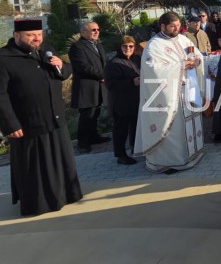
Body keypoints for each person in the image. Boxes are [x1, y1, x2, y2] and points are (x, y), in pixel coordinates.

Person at [0, 18, 82, 216]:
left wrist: (60, 65)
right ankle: (39, 203)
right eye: (31, 35)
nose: (36, 39)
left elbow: (66, 72)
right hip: (29, 124)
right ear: (16, 36)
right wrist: (9, 124)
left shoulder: (45, 52)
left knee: (61, 162)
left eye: (39, 34)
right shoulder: (1, 59)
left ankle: (66, 195)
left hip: (55, 119)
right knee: (37, 168)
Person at [134, 12, 207, 173]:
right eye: (172, 26)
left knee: (189, 123)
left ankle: (193, 153)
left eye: (178, 25)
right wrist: (182, 65)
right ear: (162, 26)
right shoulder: (154, 45)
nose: (176, 28)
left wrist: (197, 60)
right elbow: (153, 70)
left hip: (187, 91)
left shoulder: (183, 39)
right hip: (169, 95)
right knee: (174, 127)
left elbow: (196, 54)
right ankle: (170, 161)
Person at [69, 21, 109, 153]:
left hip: (98, 87)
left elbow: (103, 63)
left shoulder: (98, 45)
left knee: (95, 113)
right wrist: (102, 75)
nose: (96, 32)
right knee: (87, 115)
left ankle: (93, 136)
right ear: (83, 32)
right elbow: (82, 67)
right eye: (93, 30)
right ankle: (83, 142)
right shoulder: (77, 47)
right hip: (86, 88)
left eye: (98, 29)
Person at [105, 36, 141, 165]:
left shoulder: (137, 59)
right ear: (120, 47)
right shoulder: (114, 63)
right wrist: (131, 82)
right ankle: (120, 155)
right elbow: (111, 84)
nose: (128, 49)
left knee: (135, 127)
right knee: (121, 130)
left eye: (131, 46)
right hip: (121, 103)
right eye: (125, 46)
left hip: (135, 101)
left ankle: (135, 149)